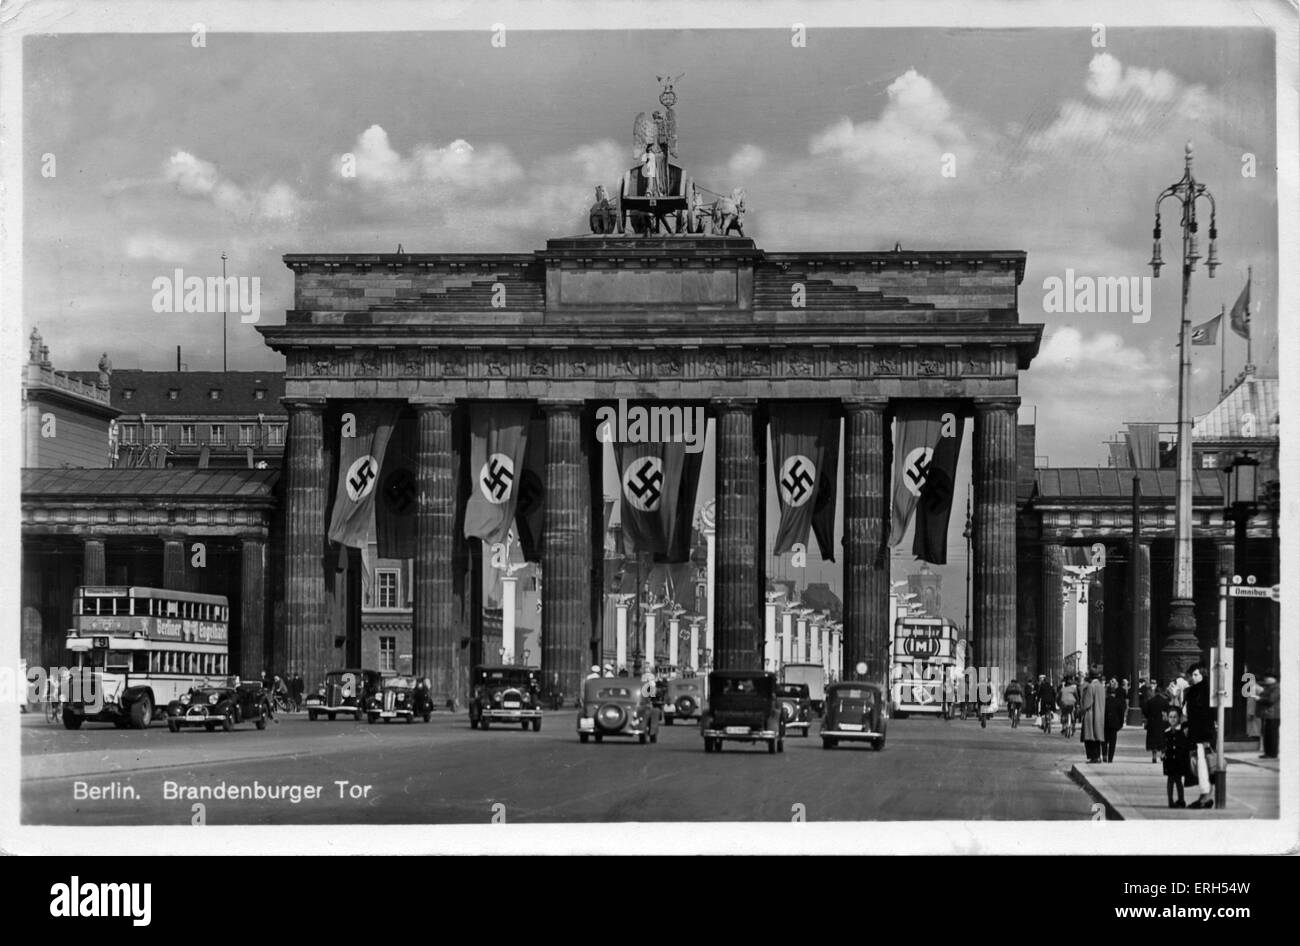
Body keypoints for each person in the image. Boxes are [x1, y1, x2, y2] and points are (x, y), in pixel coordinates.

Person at [1183, 664, 1216, 808]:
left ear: (1203, 674)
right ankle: (1204, 796)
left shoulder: (1205, 690)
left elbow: (1207, 714)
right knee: (1200, 766)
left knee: (1205, 765)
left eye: (1197, 675)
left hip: (1203, 734)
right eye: (1192, 675)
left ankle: (1206, 797)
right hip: (1196, 734)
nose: (1194, 677)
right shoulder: (1192, 691)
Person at [1162, 706, 1190, 808]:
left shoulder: (1182, 731)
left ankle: (1181, 800)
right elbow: (1165, 745)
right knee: (1170, 780)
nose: (1172, 719)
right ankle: (1170, 800)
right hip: (1169, 760)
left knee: (1178, 780)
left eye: (1175, 717)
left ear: (1179, 718)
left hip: (1179, 759)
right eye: (1170, 717)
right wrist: (1163, 753)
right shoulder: (1167, 732)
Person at [1142, 679, 1170, 763]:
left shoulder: (1150, 701)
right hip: (1162, 723)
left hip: (1152, 722)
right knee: (1163, 740)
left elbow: (1145, 711)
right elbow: (1168, 711)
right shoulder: (1164, 701)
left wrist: (1148, 717)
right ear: (1161, 692)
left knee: (1153, 741)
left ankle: (1154, 756)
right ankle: (1162, 754)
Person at [1080, 672, 1106, 763]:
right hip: (1100, 714)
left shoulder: (1091, 686)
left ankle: (1093, 757)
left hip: (1091, 715)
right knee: (1097, 737)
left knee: (1090, 737)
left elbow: (1087, 703)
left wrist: (1082, 709)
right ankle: (1098, 756)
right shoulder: (1102, 687)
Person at [1256, 673, 1279, 759]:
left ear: (1273, 678)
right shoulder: (1269, 687)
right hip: (1268, 714)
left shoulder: (1276, 687)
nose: (1266, 679)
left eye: (1268, 677)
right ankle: (1268, 752)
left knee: (1272, 734)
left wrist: (1259, 699)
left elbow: (1271, 699)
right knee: (1267, 734)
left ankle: (1272, 753)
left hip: (1273, 714)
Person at [1103, 678, 1126, 762]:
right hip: (1114, 725)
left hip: (1105, 724)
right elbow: (1121, 714)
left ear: (1107, 693)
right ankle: (1110, 758)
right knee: (1112, 742)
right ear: (1114, 694)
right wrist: (1120, 724)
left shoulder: (1104, 702)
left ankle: (1104, 755)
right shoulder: (1118, 702)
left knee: (1104, 741)